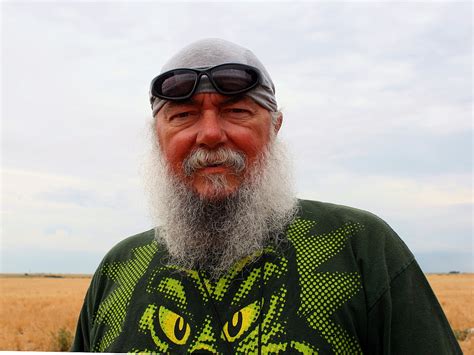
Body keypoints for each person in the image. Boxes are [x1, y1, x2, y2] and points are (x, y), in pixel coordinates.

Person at [72, 38, 461, 354]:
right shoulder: (119, 269)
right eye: (183, 116)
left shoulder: (359, 247)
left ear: (274, 127)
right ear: (157, 138)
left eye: (236, 111)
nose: (209, 134)